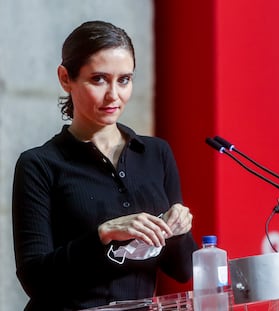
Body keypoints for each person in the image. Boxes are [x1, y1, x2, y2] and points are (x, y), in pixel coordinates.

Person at [12, 20, 198, 311]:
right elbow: (35, 278)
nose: (114, 95)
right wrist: (103, 233)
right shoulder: (40, 164)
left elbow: (183, 269)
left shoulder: (156, 153)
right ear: (65, 78)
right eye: (99, 79)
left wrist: (180, 229)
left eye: (124, 80)